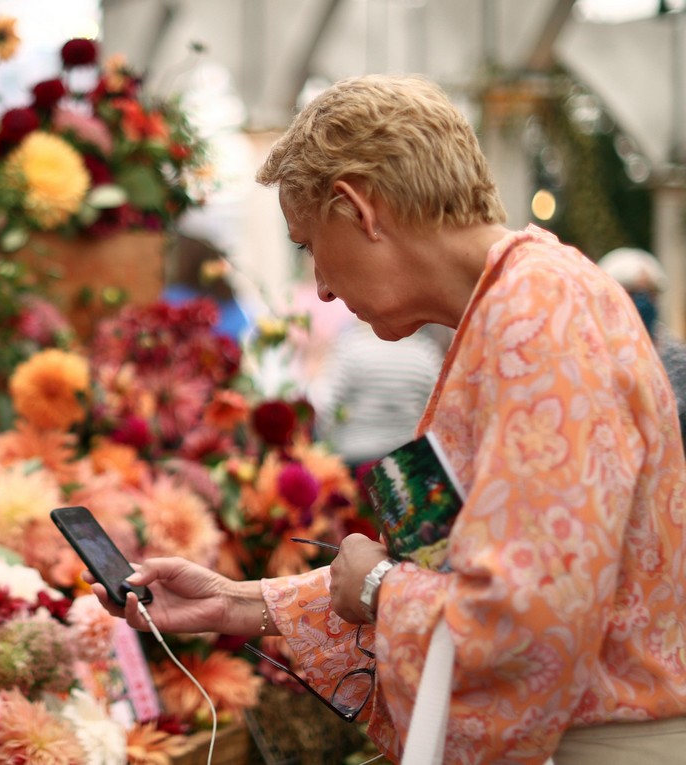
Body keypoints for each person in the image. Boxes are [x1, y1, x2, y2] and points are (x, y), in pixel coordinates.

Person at [92, 75, 686, 763]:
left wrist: (378, 586)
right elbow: (473, 573)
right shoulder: (520, 302)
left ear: (359, 208)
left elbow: (527, 621)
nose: (319, 286)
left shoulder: (538, 313)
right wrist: (238, 601)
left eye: (310, 244)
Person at [314, 320, 444, 468]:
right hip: (405, 461)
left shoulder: (350, 347)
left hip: (354, 457)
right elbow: (436, 411)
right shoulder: (426, 352)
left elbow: (329, 405)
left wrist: (324, 445)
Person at [596, 246, 686, 447]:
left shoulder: (679, 358)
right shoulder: (591, 353)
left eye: (650, 293)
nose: (643, 301)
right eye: (632, 292)